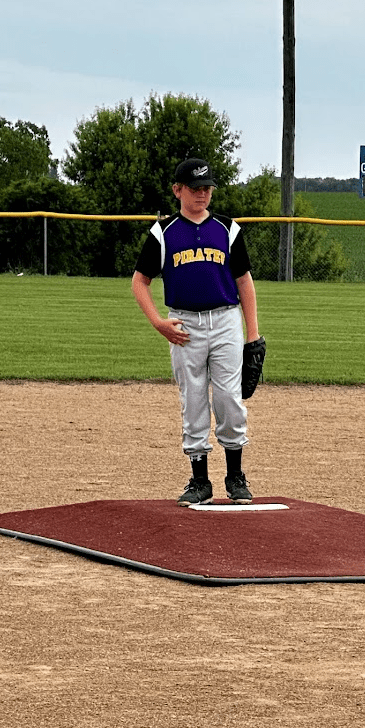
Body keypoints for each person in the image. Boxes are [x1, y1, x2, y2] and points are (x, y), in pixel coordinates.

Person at [131, 157, 261, 506]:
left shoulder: (228, 229)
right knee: (193, 398)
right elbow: (139, 282)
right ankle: (199, 480)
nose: (203, 194)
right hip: (184, 323)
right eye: (195, 188)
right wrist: (159, 323)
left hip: (225, 320)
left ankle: (235, 476)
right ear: (178, 190)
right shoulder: (163, 232)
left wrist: (253, 334)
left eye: (207, 188)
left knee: (229, 398)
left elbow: (244, 282)